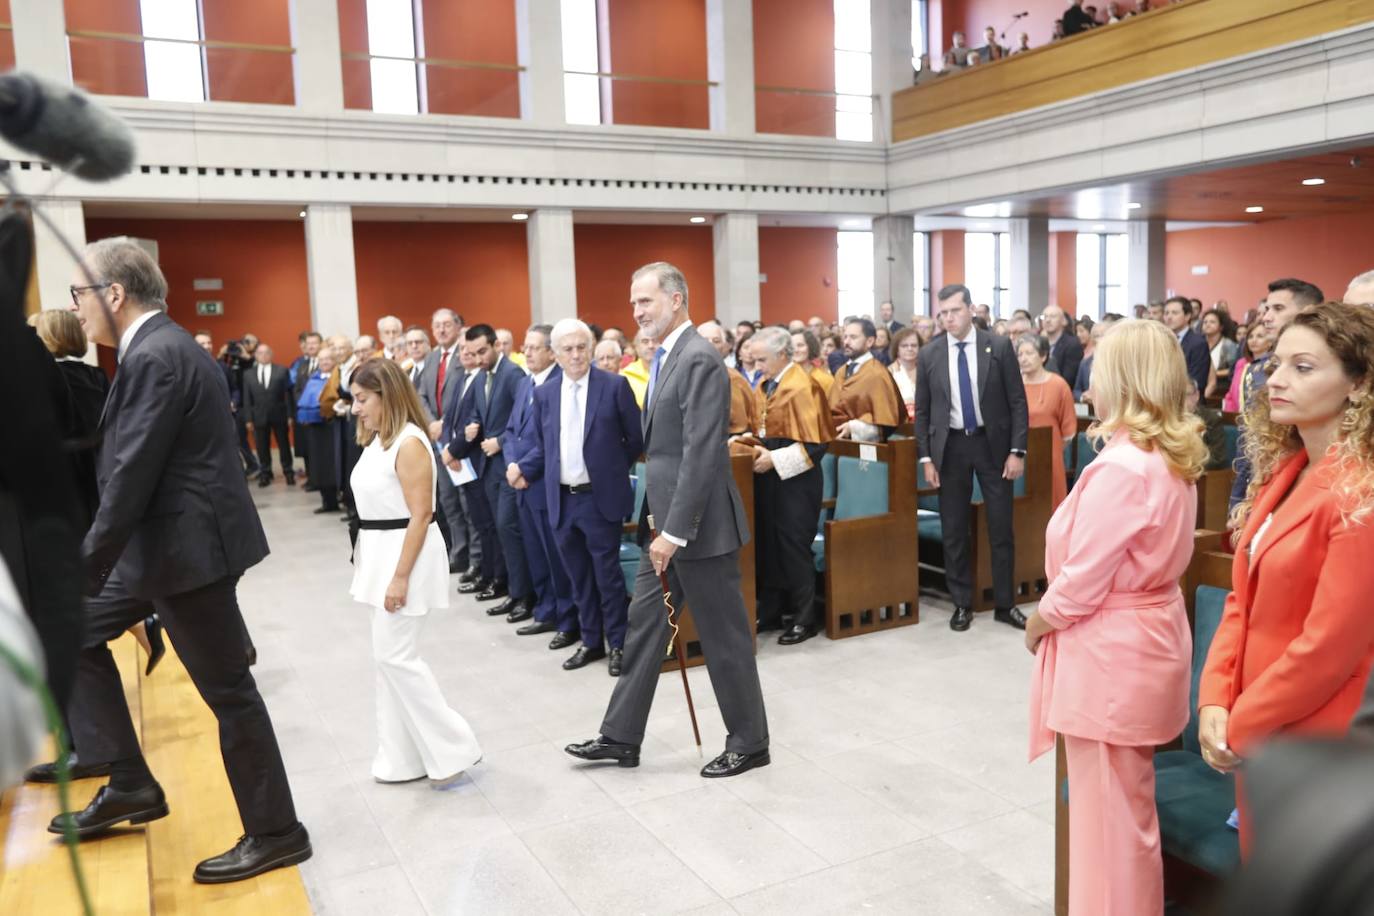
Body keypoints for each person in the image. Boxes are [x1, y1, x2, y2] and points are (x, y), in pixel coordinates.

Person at [61, 237, 309, 883]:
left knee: (230, 694)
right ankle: (129, 780)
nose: (77, 308)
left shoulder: (158, 357)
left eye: (79, 294)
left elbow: (130, 478)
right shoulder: (159, 348)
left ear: (114, 294)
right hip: (166, 550)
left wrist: (80, 571)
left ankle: (277, 831)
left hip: (186, 555)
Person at [1024, 319, 1207, 916]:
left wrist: (1038, 622)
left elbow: (1082, 580)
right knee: (1123, 814)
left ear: (1122, 380)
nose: (1089, 381)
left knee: (1111, 826)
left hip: (1112, 654)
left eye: (1098, 369)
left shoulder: (1123, 467)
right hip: (1144, 639)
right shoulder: (1169, 454)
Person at [564, 261, 770, 778]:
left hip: (698, 529)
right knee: (643, 631)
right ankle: (621, 736)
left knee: (724, 639)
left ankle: (750, 742)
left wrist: (674, 531)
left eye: (646, 301)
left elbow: (702, 452)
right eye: (634, 302)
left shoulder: (698, 357)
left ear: (676, 300)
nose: (637, 311)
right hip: (666, 525)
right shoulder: (663, 357)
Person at [1199, 302, 1374, 852]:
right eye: (1276, 364)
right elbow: (1241, 602)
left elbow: (1328, 649)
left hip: (1320, 732)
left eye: (1304, 367)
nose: (1275, 379)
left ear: (1359, 385)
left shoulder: (1360, 495)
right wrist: (1213, 701)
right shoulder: (1290, 471)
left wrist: (1242, 723)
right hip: (1264, 725)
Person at [347, 358, 482, 786]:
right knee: (385, 662)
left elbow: (421, 515)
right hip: (379, 552)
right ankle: (401, 758)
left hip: (405, 556)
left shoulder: (409, 443)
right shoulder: (378, 439)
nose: (355, 408)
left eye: (362, 399)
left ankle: (456, 746)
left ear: (387, 395)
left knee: (396, 658)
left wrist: (399, 576)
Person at [512, 319, 642, 675]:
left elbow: (635, 440)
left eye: (581, 347)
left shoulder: (614, 386)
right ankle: (590, 642)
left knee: (607, 576)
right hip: (561, 499)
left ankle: (617, 643)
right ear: (555, 354)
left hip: (599, 499)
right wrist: (523, 467)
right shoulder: (545, 394)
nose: (575, 355)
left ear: (591, 348)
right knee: (577, 576)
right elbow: (544, 443)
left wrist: (609, 469)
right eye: (567, 349)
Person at [915, 284, 1030, 632]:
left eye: (955, 310)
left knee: (1000, 528)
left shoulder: (996, 346)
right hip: (950, 448)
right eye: (943, 313)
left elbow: (1017, 402)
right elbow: (922, 412)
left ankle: (1005, 604)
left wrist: (1017, 450)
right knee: (954, 529)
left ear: (971, 310)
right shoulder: (930, 354)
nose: (949, 318)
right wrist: (926, 459)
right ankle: (962, 604)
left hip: (992, 446)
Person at [744, 327, 833, 645]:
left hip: (798, 482)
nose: (757, 367)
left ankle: (804, 618)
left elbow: (818, 444)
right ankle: (770, 612)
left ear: (783, 355)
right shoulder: (767, 385)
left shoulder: (804, 386)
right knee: (767, 543)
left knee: (793, 546)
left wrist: (774, 459)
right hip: (767, 479)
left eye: (762, 360)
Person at [500, 326, 579, 643]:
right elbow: (510, 431)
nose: (527, 352)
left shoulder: (560, 385)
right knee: (535, 552)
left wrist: (523, 468)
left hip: (544, 483)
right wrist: (510, 465)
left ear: (551, 352)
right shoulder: (525, 383)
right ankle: (546, 610)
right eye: (526, 346)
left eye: (534, 347)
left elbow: (553, 439)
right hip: (520, 481)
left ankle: (567, 618)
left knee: (556, 556)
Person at [451, 324, 530, 617]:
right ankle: (510, 588)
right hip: (487, 466)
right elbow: (477, 415)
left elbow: (523, 421)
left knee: (508, 528)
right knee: (497, 529)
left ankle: (522, 594)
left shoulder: (513, 375)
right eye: (473, 353)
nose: (479, 358)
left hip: (508, 463)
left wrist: (500, 441)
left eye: (483, 351)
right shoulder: (483, 376)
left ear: (497, 345)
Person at [1230, 278, 1326, 509]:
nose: (1266, 317)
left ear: (1308, 312)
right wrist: (1238, 499)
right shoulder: (1257, 368)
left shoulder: (1330, 367)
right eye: (1266, 309)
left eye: (1278, 309)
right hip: (1265, 481)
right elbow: (1251, 438)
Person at [416, 308, 474, 576]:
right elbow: (421, 395)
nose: (441, 330)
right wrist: (430, 423)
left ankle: (475, 557)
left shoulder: (465, 356)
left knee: (466, 502)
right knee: (448, 501)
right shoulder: (431, 358)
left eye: (446, 325)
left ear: (458, 326)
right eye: (436, 325)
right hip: (436, 439)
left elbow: (465, 395)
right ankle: (457, 553)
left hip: (459, 440)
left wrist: (444, 423)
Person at [1016, 334, 1077, 508]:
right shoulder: (1014, 384)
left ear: (1043, 356)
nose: (1024, 358)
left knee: (1050, 503)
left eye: (1029, 353)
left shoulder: (1058, 385)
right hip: (1017, 456)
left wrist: (1049, 450)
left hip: (1049, 456)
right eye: (1020, 354)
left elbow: (1068, 431)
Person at [830, 317, 904, 442]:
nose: (847, 342)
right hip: (838, 442)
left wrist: (854, 428)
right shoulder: (842, 371)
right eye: (845, 337)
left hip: (869, 447)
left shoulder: (878, 374)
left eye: (853, 337)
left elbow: (887, 422)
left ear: (869, 341)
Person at [242, 343, 296, 488]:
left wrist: (291, 415)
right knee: (261, 447)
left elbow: (288, 395)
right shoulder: (248, 374)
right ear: (255, 356)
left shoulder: (282, 370)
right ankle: (265, 473)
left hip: (280, 414)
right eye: (260, 353)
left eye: (266, 353)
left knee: (284, 445)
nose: (263, 356)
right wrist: (248, 418)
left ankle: (288, 472)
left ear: (271, 355)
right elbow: (246, 398)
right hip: (258, 416)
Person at [298, 347, 341, 513]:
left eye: (328, 359)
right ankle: (327, 501)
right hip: (316, 429)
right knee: (320, 465)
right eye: (321, 359)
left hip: (333, 425)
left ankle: (341, 498)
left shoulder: (338, 378)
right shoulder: (313, 379)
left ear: (334, 360)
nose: (324, 362)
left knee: (335, 463)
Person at [1163, 296, 1211, 396]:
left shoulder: (1198, 343)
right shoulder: (1162, 341)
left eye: (1174, 313)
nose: (1169, 317)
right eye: (1166, 313)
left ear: (1187, 316)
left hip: (1188, 400)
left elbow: (1198, 380)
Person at [1224, 323, 1267, 413]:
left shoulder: (1272, 364)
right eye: (1250, 337)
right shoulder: (1241, 363)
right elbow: (1231, 394)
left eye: (1260, 336)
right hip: (1238, 418)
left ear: (1270, 341)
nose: (1254, 340)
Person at [1075, 316, 1117, 403]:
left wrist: (1097, 396)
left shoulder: (1118, 363)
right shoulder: (1085, 363)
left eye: (1102, 335)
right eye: (1095, 336)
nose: (1098, 339)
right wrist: (1083, 397)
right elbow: (1076, 390)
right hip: (1089, 412)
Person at [1040, 305, 1082, 388]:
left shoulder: (1072, 344)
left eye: (1053, 316)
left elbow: (1069, 378)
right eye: (1045, 317)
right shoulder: (1038, 342)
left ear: (1064, 321)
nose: (1048, 320)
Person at [1202, 308, 1239, 398]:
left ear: (1221, 326)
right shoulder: (1198, 343)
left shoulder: (1228, 345)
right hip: (1202, 385)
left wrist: (1214, 374)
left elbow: (1233, 370)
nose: (1207, 324)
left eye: (1212, 322)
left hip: (1221, 387)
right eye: (1205, 322)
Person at [791, 328, 834, 396]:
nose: (796, 350)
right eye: (792, 347)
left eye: (800, 345)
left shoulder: (825, 380)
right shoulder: (784, 377)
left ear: (810, 346)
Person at [889, 326, 919, 422]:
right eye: (904, 346)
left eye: (914, 345)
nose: (910, 349)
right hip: (897, 426)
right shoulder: (888, 373)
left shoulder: (928, 371)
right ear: (896, 349)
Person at [620, 327, 653, 408]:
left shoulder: (674, 371)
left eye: (656, 341)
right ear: (636, 348)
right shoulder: (625, 376)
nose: (651, 345)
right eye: (645, 341)